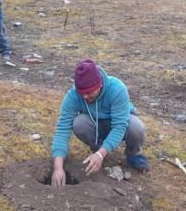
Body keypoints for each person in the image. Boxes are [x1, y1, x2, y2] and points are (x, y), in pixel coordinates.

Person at [51, 59, 148, 187]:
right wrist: (58, 168)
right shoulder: (73, 96)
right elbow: (62, 129)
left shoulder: (117, 89)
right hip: (96, 125)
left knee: (137, 128)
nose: (85, 96)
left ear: (100, 84)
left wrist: (100, 155)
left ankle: (132, 155)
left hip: (122, 123)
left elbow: (120, 126)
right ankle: (98, 150)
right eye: (82, 93)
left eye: (89, 92)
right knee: (79, 123)